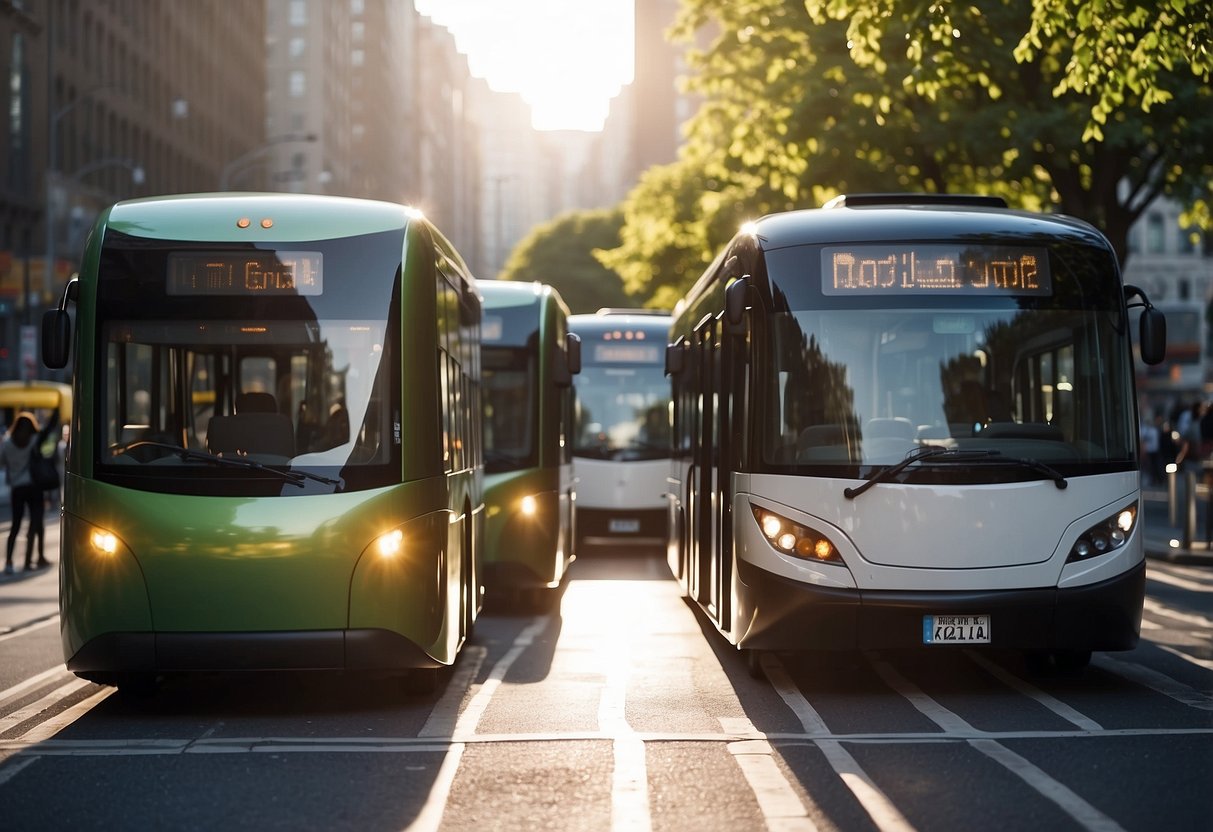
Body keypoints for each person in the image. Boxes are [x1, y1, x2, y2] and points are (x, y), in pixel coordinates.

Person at [1, 409, 60, 574]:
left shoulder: (7, 443)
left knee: (15, 526)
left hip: (17, 488)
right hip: (34, 486)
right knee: (36, 522)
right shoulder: (34, 440)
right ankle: (31, 559)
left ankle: (9, 562)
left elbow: (2, 461)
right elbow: (49, 428)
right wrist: (56, 410)